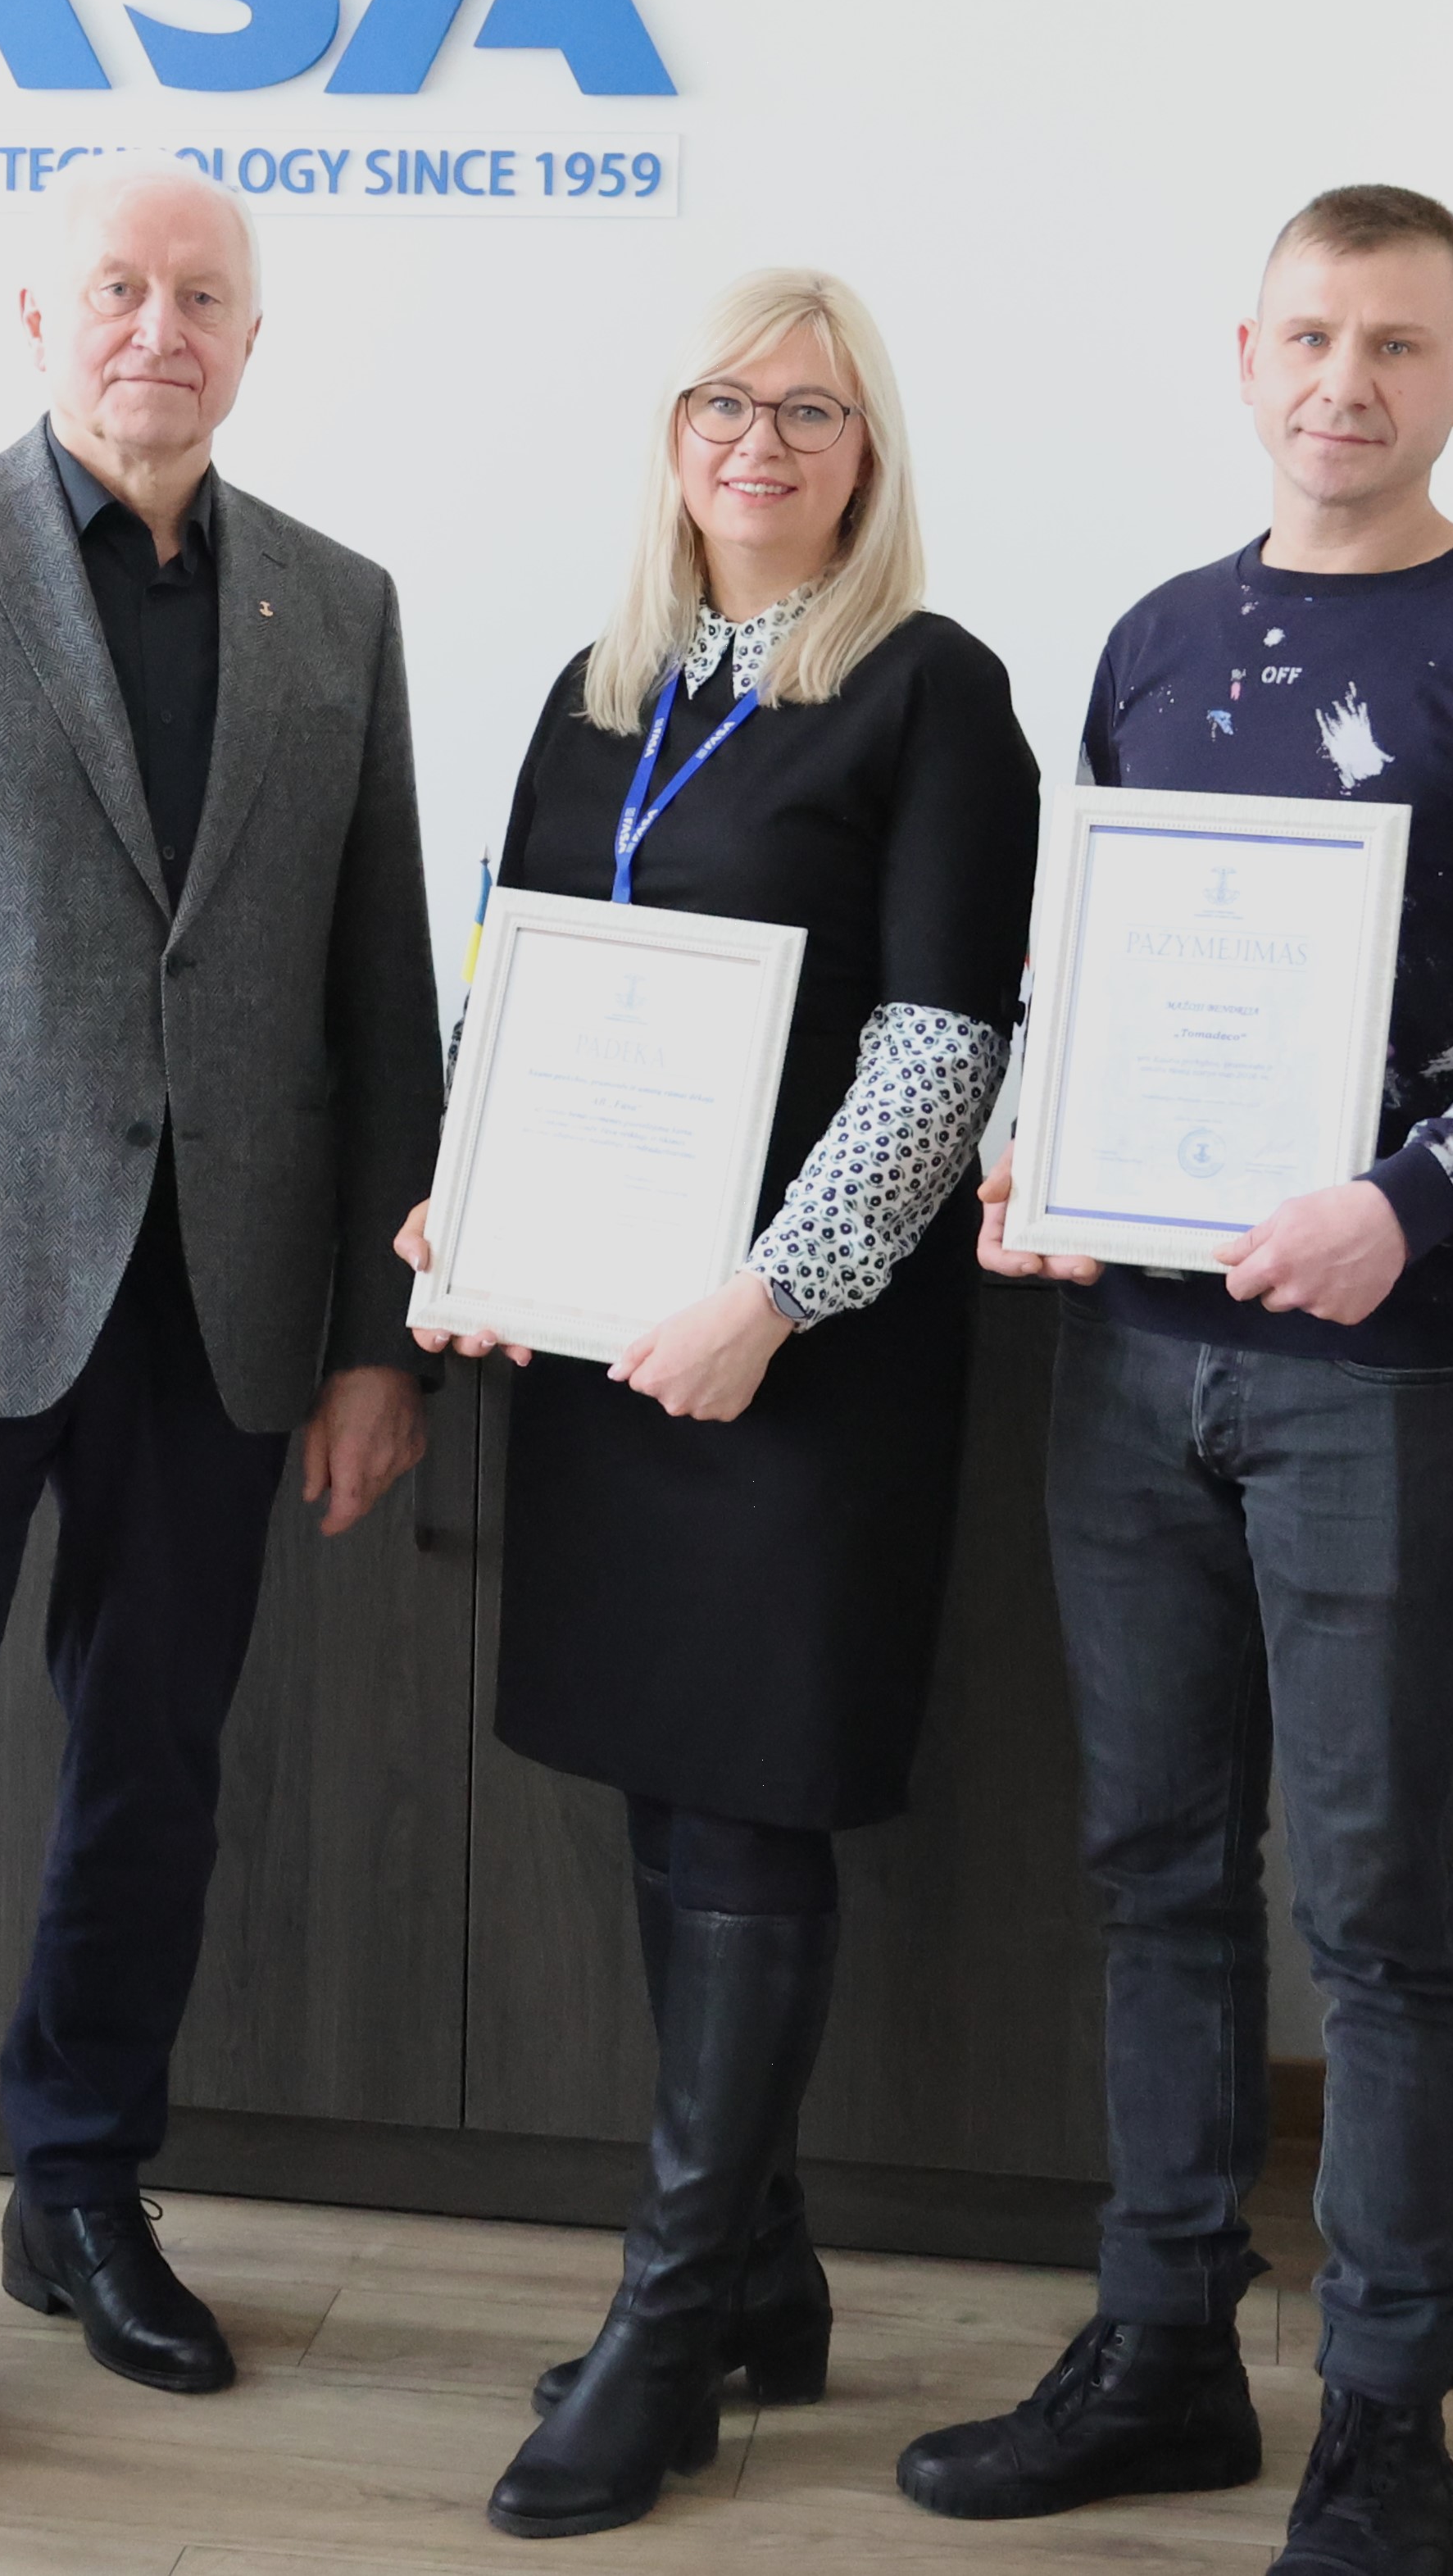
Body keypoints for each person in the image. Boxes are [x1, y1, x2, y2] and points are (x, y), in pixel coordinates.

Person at [908, 184, 1453, 2576]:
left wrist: (1406, 1204)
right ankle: (1160, 2355)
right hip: (1129, 1357)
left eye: (1398, 344)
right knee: (1151, 1873)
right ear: (1247, 357)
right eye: (1312, 335)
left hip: (1383, 1374)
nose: (1347, 380)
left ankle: (1387, 2421)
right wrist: (1035, 1155)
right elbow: (1103, 971)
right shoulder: (1155, 638)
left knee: (1374, 1905)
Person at [0, 167, 447, 2538]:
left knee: (153, 1774)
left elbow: (379, 994)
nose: (157, 327)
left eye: (200, 295)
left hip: (219, 1310)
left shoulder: (338, 604)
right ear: (36, 313)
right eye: (116, 288)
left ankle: (82, 2183)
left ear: (254, 338)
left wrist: (376, 1338)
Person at [395, 270, 1037, 2540]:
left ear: (870, 454)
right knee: (666, 1803)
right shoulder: (602, 698)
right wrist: (465, 1206)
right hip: (597, 1341)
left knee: (751, 1808)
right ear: (671, 436)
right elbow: (514, 986)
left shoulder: (930, 691)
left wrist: (773, 1294)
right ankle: (759, 2274)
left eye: (810, 409)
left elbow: (942, 1043)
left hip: (798, 1359)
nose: (759, 440)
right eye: (722, 401)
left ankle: (664, 2330)